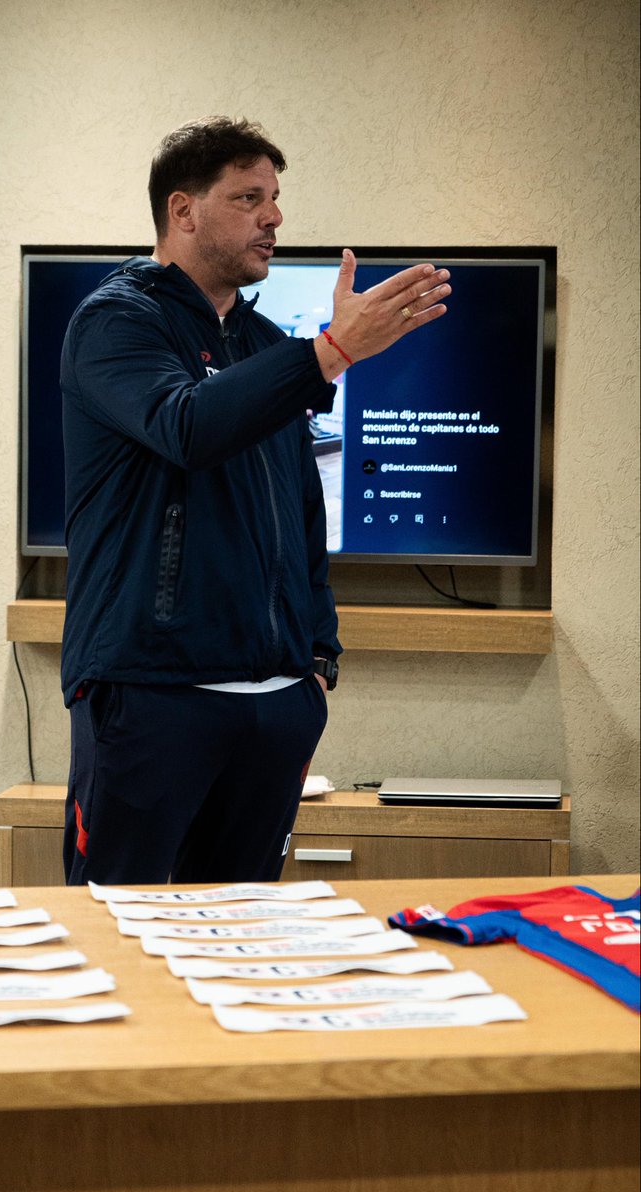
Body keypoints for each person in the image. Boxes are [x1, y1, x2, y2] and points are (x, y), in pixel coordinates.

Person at [59, 116, 451, 886]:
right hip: (152, 695)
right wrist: (332, 351)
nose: (273, 217)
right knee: (117, 932)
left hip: (274, 704)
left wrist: (316, 657)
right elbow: (186, 426)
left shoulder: (268, 343)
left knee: (243, 940)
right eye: (247, 198)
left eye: (274, 198)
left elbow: (303, 512)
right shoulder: (115, 320)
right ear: (182, 211)